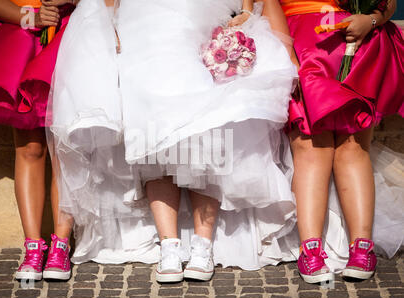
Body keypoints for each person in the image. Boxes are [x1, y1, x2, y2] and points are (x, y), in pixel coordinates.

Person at [48, 0, 299, 283]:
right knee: (153, 134)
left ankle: (203, 246)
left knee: (205, 128)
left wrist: (244, 9)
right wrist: (108, 22)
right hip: (143, 24)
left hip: (198, 16)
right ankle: (170, 246)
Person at [280, 0, 404, 283]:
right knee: (310, 147)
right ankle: (309, 248)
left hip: (355, 43)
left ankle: (362, 246)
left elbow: (389, 2)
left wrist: (371, 20)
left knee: (353, 146)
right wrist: (286, 55)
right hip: (303, 46)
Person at [0, 0, 78, 281]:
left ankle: (61, 244)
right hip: (21, 39)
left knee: (64, 149)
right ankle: (33, 247)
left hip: (69, 37)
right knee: (30, 147)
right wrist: (29, 19)